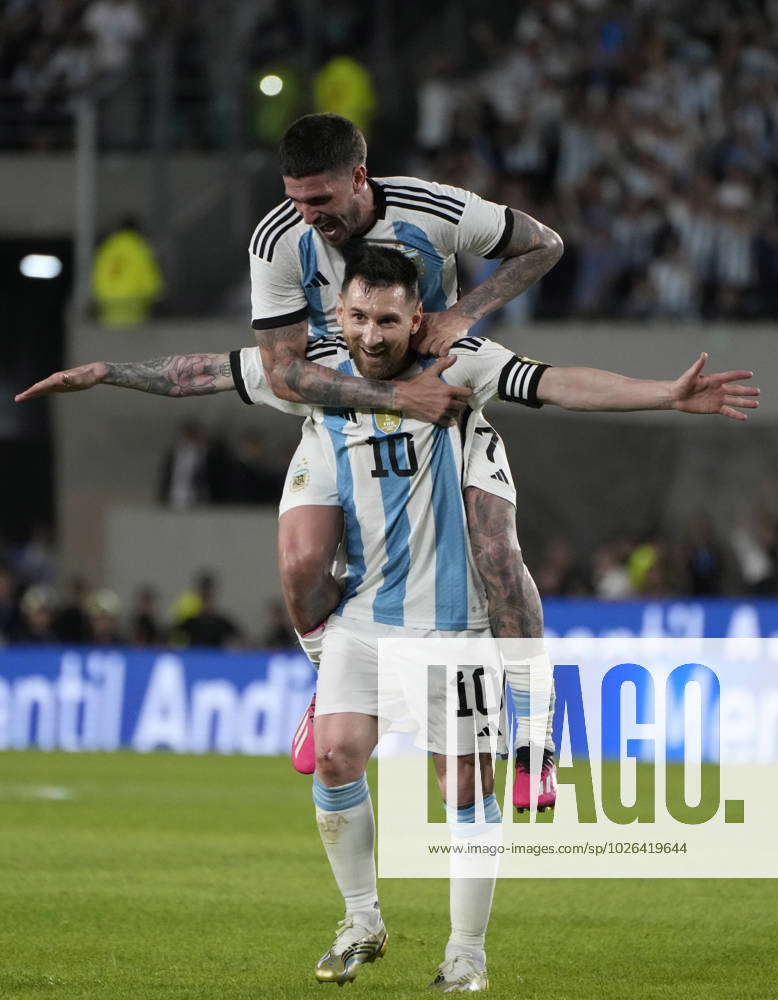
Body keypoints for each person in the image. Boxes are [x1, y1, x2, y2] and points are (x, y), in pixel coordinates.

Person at [16, 246, 759, 990]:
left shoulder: (459, 364)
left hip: (456, 622)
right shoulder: (313, 371)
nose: (373, 335)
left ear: (417, 318)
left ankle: (466, 953)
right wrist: (106, 371)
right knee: (336, 755)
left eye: (389, 321)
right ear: (341, 311)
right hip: (365, 615)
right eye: (361, 317)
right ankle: (361, 921)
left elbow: (560, 384)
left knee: (462, 786)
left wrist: (667, 393)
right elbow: (202, 372)